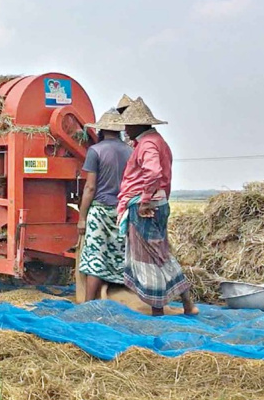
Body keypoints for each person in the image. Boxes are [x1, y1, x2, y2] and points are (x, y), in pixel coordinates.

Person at [115, 98, 198, 316]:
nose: (125, 130)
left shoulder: (148, 144)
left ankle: (158, 310)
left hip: (147, 206)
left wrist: (143, 202)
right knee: (160, 253)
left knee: (149, 256)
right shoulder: (156, 140)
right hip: (158, 202)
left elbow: (153, 172)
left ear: (137, 125)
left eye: (127, 125)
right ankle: (186, 303)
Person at [77, 108, 133, 302]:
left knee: (95, 257)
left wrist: (82, 218)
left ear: (101, 130)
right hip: (123, 212)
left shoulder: (95, 151)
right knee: (120, 257)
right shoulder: (130, 151)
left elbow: (90, 188)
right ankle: (120, 300)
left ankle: (88, 303)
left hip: (100, 212)